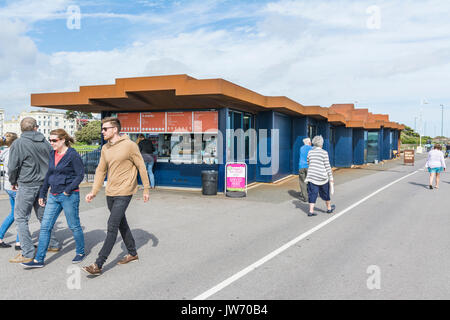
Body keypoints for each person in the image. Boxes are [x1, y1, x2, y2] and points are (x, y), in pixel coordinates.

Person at [82, 117, 150, 276]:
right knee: (121, 224)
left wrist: (146, 189)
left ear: (115, 129)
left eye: (105, 129)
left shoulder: (130, 146)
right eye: (102, 129)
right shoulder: (105, 148)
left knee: (112, 226)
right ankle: (133, 253)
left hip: (125, 191)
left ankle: (98, 264)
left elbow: (141, 166)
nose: (102, 131)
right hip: (110, 192)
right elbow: (100, 170)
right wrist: (94, 191)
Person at [21, 129, 85, 268]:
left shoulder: (73, 155)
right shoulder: (52, 154)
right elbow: (49, 174)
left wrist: (68, 191)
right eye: (50, 140)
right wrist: (43, 193)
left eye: (54, 140)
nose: (51, 143)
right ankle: (39, 260)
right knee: (45, 227)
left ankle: (80, 251)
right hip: (53, 196)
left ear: (63, 140)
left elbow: (80, 175)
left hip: (69, 196)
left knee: (74, 226)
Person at [7, 117, 60, 263]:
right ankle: (53, 243)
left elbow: (12, 167)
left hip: (27, 183)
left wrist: (13, 181)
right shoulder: (45, 143)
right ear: (36, 128)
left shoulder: (18, 143)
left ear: (21, 129)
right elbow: (53, 162)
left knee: (20, 218)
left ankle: (28, 252)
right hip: (43, 184)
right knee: (43, 216)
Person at [305, 135, 336, 217]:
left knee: (312, 194)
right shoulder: (324, 153)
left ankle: (311, 211)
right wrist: (331, 178)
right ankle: (329, 208)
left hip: (312, 177)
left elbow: (308, 162)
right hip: (322, 177)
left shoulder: (310, 152)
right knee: (325, 193)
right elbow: (327, 166)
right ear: (321, 144)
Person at [0, 133, 20, 249]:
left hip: (8, 187)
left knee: (13, 213)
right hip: (15, 186)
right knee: (23, 216)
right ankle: (20, 242)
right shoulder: (14, 152)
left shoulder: (5, 152)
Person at [298, 137, 313, 202]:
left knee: (302, 182)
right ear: (309, 142)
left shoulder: (301, 148)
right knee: (310, 181)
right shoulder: (312, 148)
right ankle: (310, 195)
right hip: (309, 166)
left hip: (301, 166)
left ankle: (305, 197)